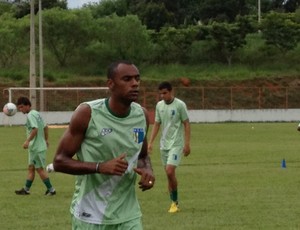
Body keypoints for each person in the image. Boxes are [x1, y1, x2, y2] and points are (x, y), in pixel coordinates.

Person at [52, 60, 155, 229]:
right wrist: (100, 167)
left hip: (129, 215)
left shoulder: (141, 115)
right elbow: (59, 161)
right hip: (91, 215)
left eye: (137, 78)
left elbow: (142, 156)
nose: (135, 83)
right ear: (110, 84)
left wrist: (147, 170)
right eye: (127, 79)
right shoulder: (87, 113)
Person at [148, 81, 191, 213]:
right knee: (169, 175)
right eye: (160, 93)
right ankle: (173, 202)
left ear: (171, 92)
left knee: (170, 171)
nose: (162, 96)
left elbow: (186, 123)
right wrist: (150, 142)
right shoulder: (159, 106)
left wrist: (187, 144)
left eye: (165, 93)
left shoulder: (179, 105)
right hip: (164, 145)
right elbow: (156, 124)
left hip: (176, 144)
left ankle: (175, 202)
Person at [15, 96, 56, 196]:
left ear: (28, 105)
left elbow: (35, 129)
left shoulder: (30, 116)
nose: (20, 110)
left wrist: (27, 141)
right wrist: (46, 140)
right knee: (31, 168)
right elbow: (46, 127)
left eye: (21, 107)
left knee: (39, 169)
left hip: (36, 148)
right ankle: (26, 189)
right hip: (38, 146)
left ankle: (51, 190)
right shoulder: (37, 113)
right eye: (19, 108)